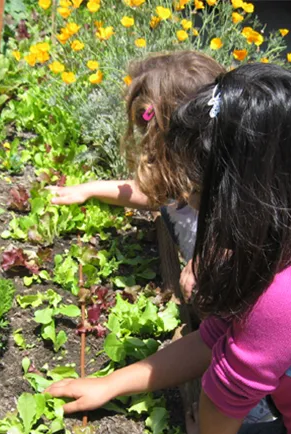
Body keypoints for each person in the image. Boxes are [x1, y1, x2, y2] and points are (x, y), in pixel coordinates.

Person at [46, 63, 291, 434]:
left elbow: (224, 392)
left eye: (196, 192)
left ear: (241, 199)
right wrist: (111, 383)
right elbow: (215, 337)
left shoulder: (280, 295)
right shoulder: (278, 245)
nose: (185, 198)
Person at [47, 51, 225, 297]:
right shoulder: (193, 173)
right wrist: (89, 189)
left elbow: (249, 255)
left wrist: (204, 262)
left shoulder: (233, 198)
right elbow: (156, 196)